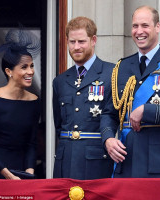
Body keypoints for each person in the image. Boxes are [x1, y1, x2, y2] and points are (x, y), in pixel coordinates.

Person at [100, 6, 160, 178]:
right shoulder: (122, 67)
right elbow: (109, 113)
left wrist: (147, 110)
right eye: (135, 26)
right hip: (126, 160)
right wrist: (108, 139)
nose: (139, 31)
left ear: (157, 27)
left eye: (145, 25)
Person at [52, 16, 114, 179]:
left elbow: (115, 118)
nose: (76, 47)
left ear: (93, 40)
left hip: (97, 162)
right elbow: (59, 125)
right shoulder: (60, 81)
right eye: (72, 42)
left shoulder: (111, 73)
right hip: (65, 161)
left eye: (81, 41)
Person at [0, 28, 41, 179]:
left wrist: (29, 172)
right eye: (24, 67)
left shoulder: (34, 101)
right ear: (9, 71)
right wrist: (8, 175)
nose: (31, 71)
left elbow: (31, 143)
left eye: (32, 66)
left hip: (20, 171)